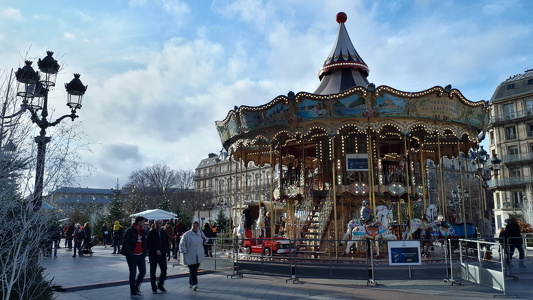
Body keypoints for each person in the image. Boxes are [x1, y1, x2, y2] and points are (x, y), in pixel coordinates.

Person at [122, 216, 148, 298]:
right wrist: (130, 254)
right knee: (133, 273)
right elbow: (125, 243)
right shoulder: (130, 231)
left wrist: (144, 252)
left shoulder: (142, 231)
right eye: (143, 222)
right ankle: (133, 291)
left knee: (143, 271)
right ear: (139, 222)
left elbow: (144, 241)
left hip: (140, 254)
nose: (144, 223)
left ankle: (136, 288)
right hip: (132, 255)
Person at [179, 221, 207, 291]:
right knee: (193, 269)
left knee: (194, 269)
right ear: (191, 226)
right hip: (190, 254)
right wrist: (184, 251)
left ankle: (191, 282)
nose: (195, 227)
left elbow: (206, 240)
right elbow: (182, 243)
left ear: (198, 227)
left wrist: (205, 239)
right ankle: (195, 283)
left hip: (198, 255)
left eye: (196, 226)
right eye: (194, 225)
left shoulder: (200, 233)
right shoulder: (187, 234)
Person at [147, 219, 168, 294]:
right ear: (155, 224)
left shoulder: (164, 233)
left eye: (160, 223)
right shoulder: (151, 233)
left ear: (162, 224)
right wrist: (155, 250)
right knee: (153, 272)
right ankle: (154, 287)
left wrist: (166, 252)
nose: (158, 225)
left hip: (162, 255)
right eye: (157, 223)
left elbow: (166, 243)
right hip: (153, 255)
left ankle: (160, 285)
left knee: (164, 270)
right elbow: (148, 244)